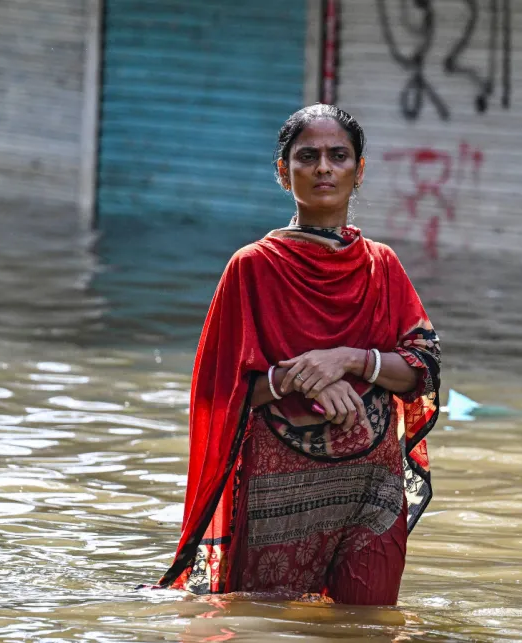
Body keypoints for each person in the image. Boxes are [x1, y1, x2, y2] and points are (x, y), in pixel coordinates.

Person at [147, 104, 441, 606]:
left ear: (359, 170)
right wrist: (300, 377)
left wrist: (350, 359)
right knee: (268, 627)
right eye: (307, 156)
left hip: (373, 489)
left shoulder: (382, 266)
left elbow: (422, 370)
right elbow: (225, 391)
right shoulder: (253, 268)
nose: (324, 168)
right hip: (278, 498)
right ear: (284, 172)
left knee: (369, 631)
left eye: (338, 156)